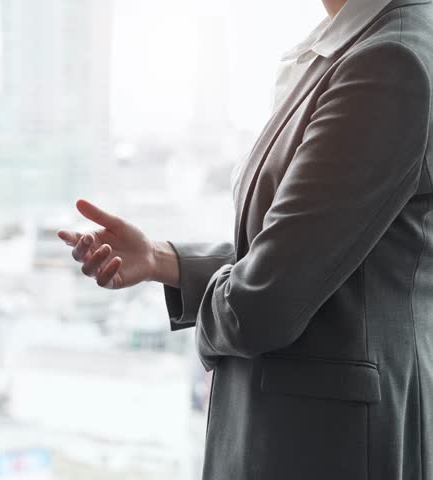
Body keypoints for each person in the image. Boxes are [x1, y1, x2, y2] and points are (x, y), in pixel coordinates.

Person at [59, 0, 433, 478]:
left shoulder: (387, 62)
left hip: (328, 441)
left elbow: (263, 307)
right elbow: (302, 248)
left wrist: (224, 317)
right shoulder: (357, 45)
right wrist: (160, 259)